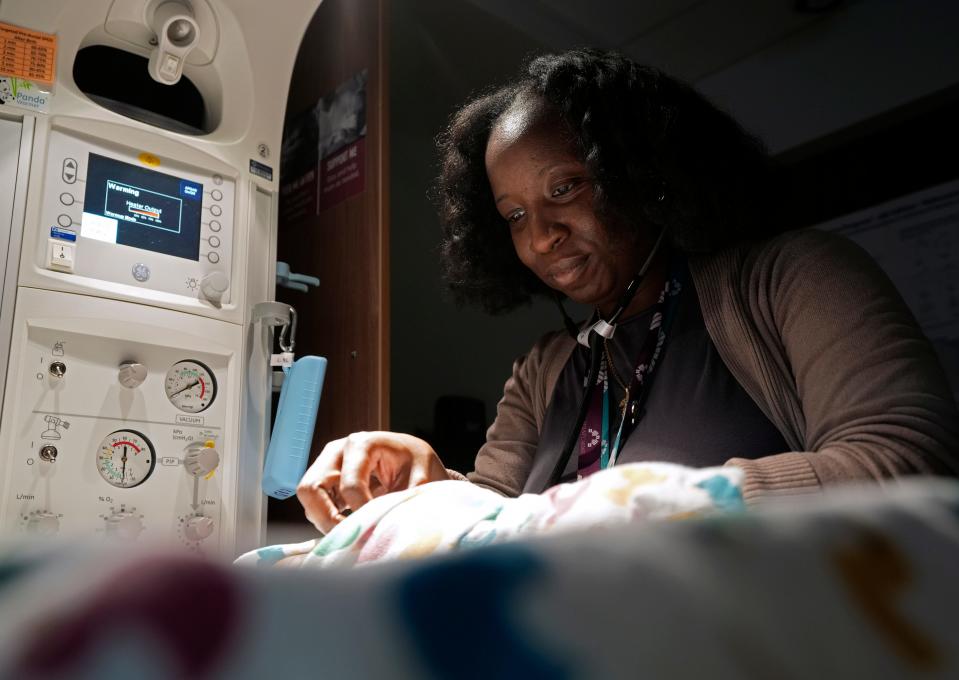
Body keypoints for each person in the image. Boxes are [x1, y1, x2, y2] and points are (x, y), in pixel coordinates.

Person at [297, 48, 959, 534]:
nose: (542, 237)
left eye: (564, 189)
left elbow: (907, 463)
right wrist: (426, 480)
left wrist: (634, 508)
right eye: (514, 216)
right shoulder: (543, 369)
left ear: (646, 175)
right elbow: (494, 517)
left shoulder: (793, 277)